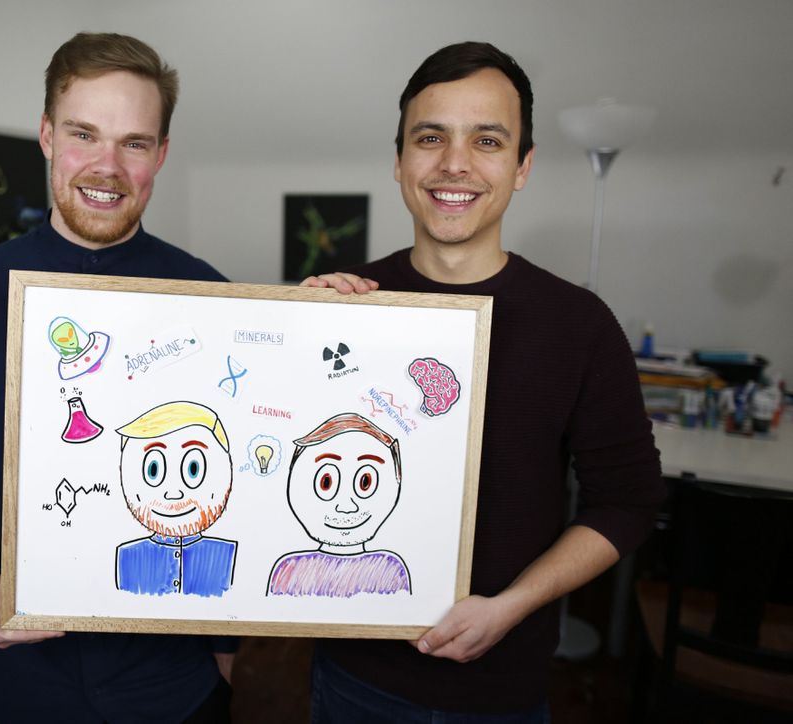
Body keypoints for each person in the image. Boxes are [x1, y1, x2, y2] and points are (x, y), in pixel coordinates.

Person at [303, 41, 665, 722]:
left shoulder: (579, 324)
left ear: (522, 166)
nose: (454, 163)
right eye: (430, 137)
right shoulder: (343, 308)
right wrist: (290, 336)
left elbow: (628, 501)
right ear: (399, 160)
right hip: (352, 676)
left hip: (501, 690)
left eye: (487, 140)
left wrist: (513, 606)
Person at [0, 33, 232, 723]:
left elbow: (238, 482)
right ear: (48, 136)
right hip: (26, 680)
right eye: (85, 134)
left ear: (161, 154)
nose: (108, 166)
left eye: (134, 142)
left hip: (172, 682)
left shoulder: (210, 296)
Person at [267, 412, 410, 598]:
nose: (346, 507)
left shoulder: (390, 570)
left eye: (365, 482)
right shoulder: (289, 570)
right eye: (326, 483)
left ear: (397, 479)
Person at [115, 401, 237, 597]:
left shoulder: (226, 556)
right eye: (153, 470)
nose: (173, 493)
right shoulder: (128, 557)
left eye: (193, 469)